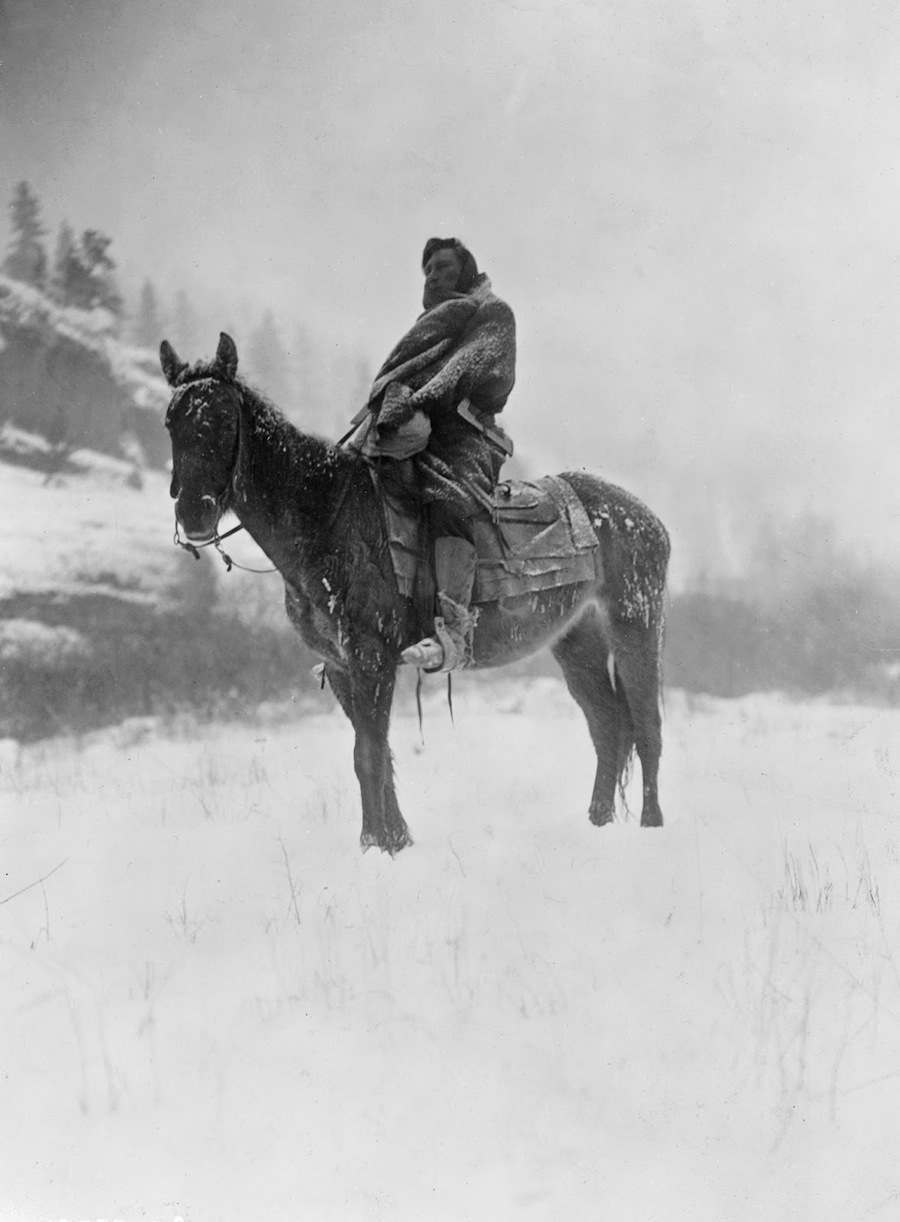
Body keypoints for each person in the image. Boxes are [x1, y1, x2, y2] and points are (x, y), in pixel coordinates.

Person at [353, 237, 516, 671]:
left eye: (443, 266)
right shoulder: (430, 324)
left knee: (449, 500)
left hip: (466, 437)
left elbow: (473, 369)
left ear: (465, 269)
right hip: (419, 430)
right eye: (427, 269)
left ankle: (453, 630)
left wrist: (417, 400)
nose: (434, 274)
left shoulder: (492, 313)